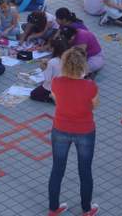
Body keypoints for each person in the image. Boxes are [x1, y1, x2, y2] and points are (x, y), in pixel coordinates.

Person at [48, 48, 100, 216]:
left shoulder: (56, 82)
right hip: (85, 131)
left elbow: (56, 100)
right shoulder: (90, 86)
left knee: (57, 169)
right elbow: (94, 105)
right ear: (82, 66)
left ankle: (54, 208)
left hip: (60, 129)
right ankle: (86, 209)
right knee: (85, 171)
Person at [30, 37, 68, 104]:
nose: (49, 49)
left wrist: (43, 68)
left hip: (53, 88)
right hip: (65, 86)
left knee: (33, 94)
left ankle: (52, 97)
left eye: (51, 47)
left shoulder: (53, 62)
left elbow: (47, 79)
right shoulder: (68, 58)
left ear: (54, 49)